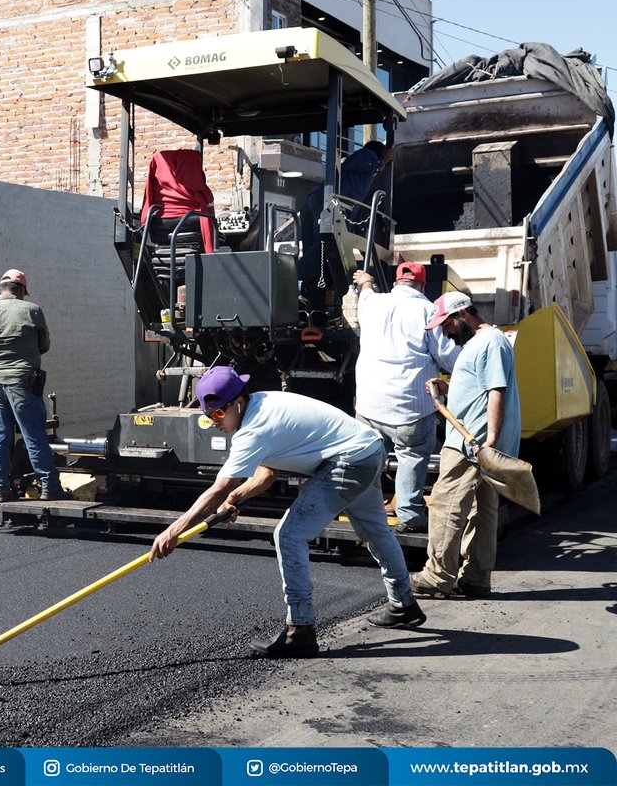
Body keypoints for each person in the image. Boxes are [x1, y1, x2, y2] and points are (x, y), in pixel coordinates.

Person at [149, 366, 425, 658]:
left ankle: (301, 630)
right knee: (375, 532)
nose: (214, 421)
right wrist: (235, 498)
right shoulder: (262, 405)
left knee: (289, 535)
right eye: (208, 416)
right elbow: (266, 474)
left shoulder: (255, 427)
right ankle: (404, 604)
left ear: (237, 403)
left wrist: (174, 531)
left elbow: (218, 488)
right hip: (367, 451)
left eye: (218, 413)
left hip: (349, 462)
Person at [411, 292, 520, 599]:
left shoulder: (490, 342)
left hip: (470, 443)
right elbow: (478, 387)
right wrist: (446, 387)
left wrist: (489, 443)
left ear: (462, 315)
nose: (444, 332)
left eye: (446, 325)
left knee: (446, 506)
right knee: (482, 511)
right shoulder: (481, 343)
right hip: (477, 442)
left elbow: (495, 392)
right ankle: (475, 579)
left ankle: (436, 577)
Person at [352, 262, 460, 534]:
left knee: (369, 459)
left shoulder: (372, 303)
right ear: (423, 286)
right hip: (410, 408)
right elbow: (448, 358)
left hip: (369, 405)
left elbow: (366, 291)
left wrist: (366, 280)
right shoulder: (428, 311)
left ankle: (369, 514)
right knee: (411, 455)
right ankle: (410, 516)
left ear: (396, 282)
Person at [0, 268, 66, 501]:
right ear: (22, 290)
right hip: (23, 382)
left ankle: (0, 489)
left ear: (0, 289)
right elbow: (44, 345)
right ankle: (48, 486)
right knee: (33, 435)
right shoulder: (32, 311)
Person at [299, 140, 395, 308]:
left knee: (314, 250)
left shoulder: (358, 176)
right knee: (320, 249)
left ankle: (309, 295)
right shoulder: (367, 156)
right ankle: (291, 277)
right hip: (326, 202)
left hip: (313, 199)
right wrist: (381, 160)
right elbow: (357, 162)